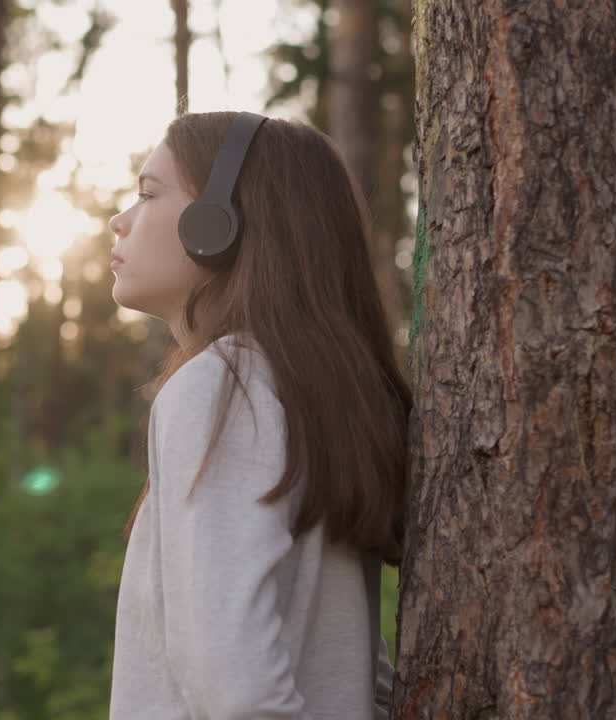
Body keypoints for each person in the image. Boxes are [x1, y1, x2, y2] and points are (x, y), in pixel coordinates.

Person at [106, 111, 409, 719]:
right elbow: (350, 677)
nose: (119, 219)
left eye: (147, 193)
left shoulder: (220, 389)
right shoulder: (313, 396)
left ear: (216, 224)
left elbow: (239, 692)